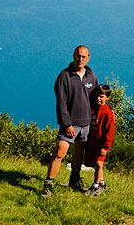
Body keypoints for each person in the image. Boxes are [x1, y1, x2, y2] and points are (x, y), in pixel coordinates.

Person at [42, 45, 98, 198]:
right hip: (70, 124)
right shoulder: (64, 76)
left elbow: (96, 97)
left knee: (78, 154)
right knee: (60, 153)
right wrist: (67, 124)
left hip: (86, 124)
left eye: (83, 57)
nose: (80, 59)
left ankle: (74, 181)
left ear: (88, 58)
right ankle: (48, 185)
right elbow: (61, 102)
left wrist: (108, 109)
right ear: (73, 55)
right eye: (78, 56)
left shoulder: (91, 76)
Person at [84, 84, 115, 197]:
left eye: (101, 97)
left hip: (102, 144)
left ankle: (95, 186)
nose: (98, 99)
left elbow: (110, 131)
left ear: (107, 97)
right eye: (97, 96)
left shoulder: (107, 112)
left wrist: (106, 147)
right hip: (93, 142)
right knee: (96, 164)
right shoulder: (94, 108)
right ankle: (102, 183)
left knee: (98, 163)